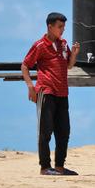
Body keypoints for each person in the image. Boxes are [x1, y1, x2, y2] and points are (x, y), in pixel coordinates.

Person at [21, 12, 80, 176]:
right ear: (50, 26)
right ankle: (45, 167)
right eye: (60, 27)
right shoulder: (40, 45)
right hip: (46, 91)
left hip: (62, 92)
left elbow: (69, 65)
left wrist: (74, 54)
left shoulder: (63, 44)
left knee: (64, 131)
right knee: (45, 131)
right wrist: (30, 87)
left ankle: (60, 166)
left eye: (64, 27)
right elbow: (25, 65)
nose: (62, 30)